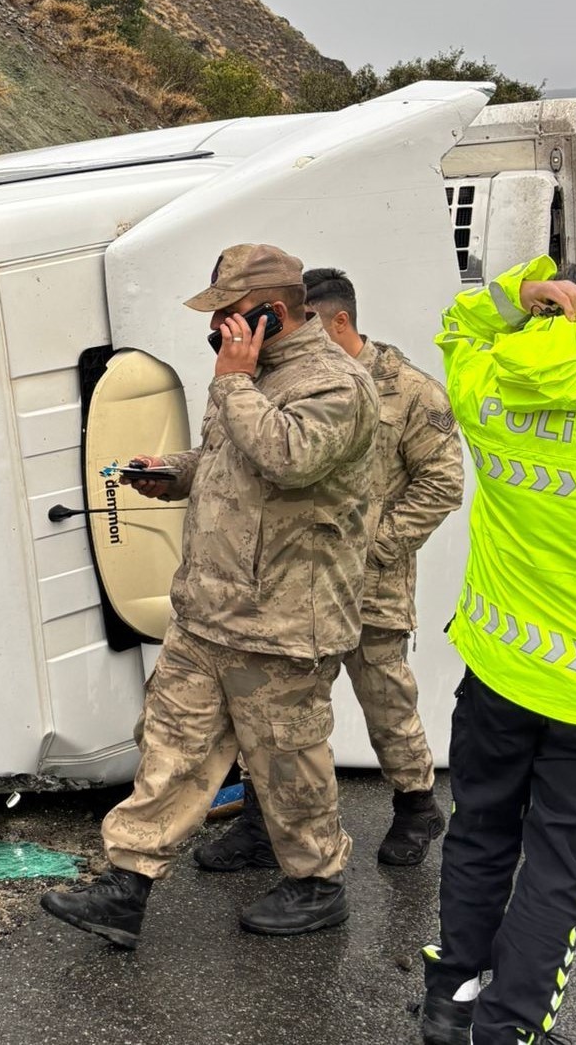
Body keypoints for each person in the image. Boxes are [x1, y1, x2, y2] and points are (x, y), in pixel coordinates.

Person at [40, 242, 378, 946]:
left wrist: (233, 380)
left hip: (284, 618)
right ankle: (125, 888)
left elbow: (289, 458)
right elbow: (235, 460)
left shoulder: (335, 385)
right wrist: (176, 471)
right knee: (170, 746)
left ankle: (317, 884)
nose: (218, 329)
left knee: (288, 759)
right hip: (209, 610)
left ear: (273, 313)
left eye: (228, 315)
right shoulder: (248, 377)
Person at [418, 258, 576, 1045]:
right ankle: (505, 1031)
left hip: (502, 675)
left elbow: (458, 324)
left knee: (480, 831)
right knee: (559, 868)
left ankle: (450, 1004)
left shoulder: (489, 390)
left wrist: (516, 296)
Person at [196, 268, 464, 873]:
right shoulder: (277, 382)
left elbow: (442, 483)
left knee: (386, 700)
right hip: (292, 588)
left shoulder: (412, 392)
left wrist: (375, 547)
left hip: (369, 585)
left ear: (337, 320)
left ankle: (417, 806)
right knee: (277, 713)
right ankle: (262, 827)